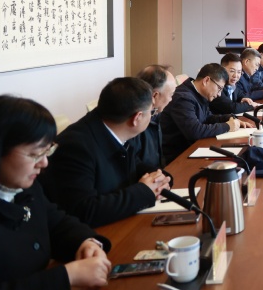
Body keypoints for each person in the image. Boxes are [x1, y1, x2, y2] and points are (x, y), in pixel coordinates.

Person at [0, 96, 112, 290]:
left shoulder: (23, 187)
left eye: (47, 151)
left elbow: (56, 222)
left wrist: (86, 242)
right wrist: (67, 276)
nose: (44, 163)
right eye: (35, 154)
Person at [40, 78, 172, 227]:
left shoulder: (116, 126)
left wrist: (158, 177)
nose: (152, 115)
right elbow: (85, 210)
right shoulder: (75, 148)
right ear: (137, 118)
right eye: (152, 111)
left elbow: (132, 162)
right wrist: (143, 192)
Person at [161, 64, 250, 163]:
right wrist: (227, 126)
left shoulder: (198, 93)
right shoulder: (183, 98)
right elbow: (194, 131)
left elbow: (207, 117)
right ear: (206, 80)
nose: (219, 94)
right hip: (178, 157)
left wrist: (229, 118)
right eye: (219, 88)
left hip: (194, 148)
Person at [134, 64, 177, 169]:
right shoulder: (135, 122)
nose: (171, 99)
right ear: (154, 96)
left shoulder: (156, 114)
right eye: (171, 95)